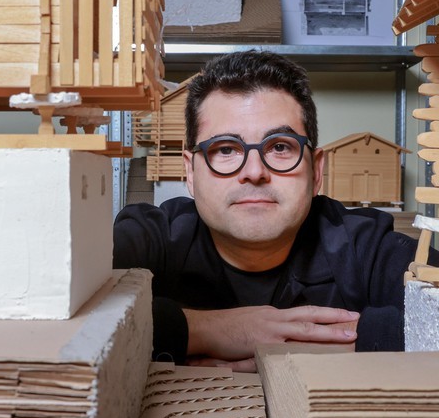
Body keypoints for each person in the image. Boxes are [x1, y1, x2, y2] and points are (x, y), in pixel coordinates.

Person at [114, 50, 420, 371]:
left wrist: (342, 343)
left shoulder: (367, 247)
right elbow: (63, 314)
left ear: (316, 172)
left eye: (279, 146)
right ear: (190, 173)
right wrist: (198, 328)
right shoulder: (149, 237)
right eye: (226, 149)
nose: (255, 171)